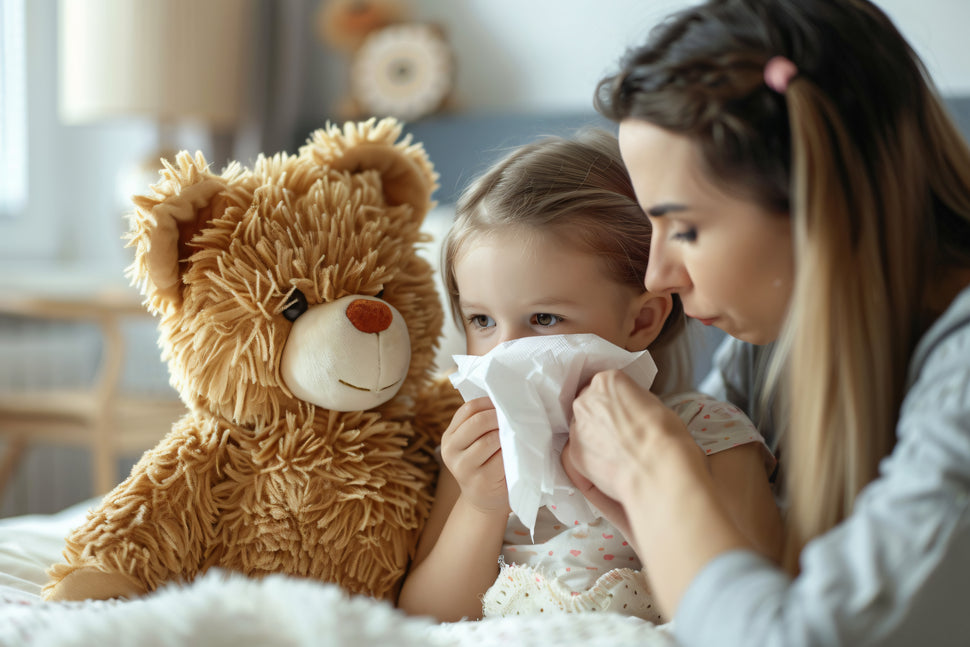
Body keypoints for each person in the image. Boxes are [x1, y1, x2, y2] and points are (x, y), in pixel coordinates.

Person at [561, 0, 970, 644]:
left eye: (686, 227)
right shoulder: (772, 342)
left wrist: (650, 470)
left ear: (821, 200)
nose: (657, 276)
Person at [397, 129, 782, 622]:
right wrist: (482, 506)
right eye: (482, 321)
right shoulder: (475, 450)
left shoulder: (707, 433)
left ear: (641, 321)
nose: (506, 352)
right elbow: (425, 619)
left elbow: (749, 603)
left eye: (544, 319)